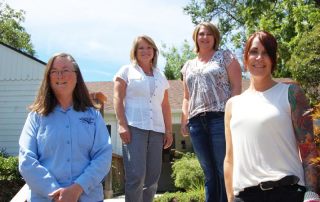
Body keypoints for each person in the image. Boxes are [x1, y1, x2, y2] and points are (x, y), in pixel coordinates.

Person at [224, 31, 320, 202]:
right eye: (254, 52)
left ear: (274, 59)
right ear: (245, 58)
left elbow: (308, 148)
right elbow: (229, 159)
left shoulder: (291, 93)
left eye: (266, 52)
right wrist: (231, 198)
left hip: (287, 193)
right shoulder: (233, 105)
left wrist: (312, 193)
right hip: (244, 197)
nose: (259, 57)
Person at [19, 53, 112, 202]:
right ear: (49, 78)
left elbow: (103, 156)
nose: (59, 75)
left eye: (65, 70)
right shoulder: (36, 117)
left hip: (88, 197)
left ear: (77, 76)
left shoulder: (93, 116)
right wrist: (55, 193)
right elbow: (26, 160)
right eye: (54, 71)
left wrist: (77, 189)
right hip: (45, 198)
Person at [180, 22, 242, 202]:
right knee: (208, 171)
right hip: (196, 122)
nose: (204, 37)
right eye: (201, 34)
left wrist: (231, 115)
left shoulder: (225, 56)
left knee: (223, 168)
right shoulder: (188, 66)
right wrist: (185, 118)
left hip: (220, 117)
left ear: (215, 37)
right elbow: (186, 96)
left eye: (209, 34)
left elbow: (236, 86)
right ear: (196, 38)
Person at [113, 35, 173, 202]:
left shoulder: (161, 76)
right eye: (141, 48)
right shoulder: (126, 71)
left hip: (157, 130)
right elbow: (117, 98)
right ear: (135, 51)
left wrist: (168, 130)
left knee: (153, 178)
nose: (145, 51)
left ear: (154, 51)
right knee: (136, 176)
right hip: (134, 127)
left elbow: (165, 106)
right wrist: (122, 124)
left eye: (149, 47)